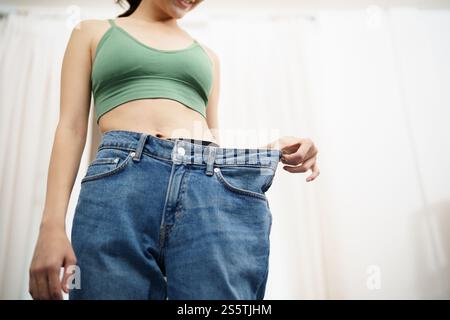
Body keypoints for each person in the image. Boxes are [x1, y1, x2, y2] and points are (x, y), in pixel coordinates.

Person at [28, 0, 320, 300]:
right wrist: (51, 226)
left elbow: (213, 154)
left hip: (206, 190)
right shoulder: (90, 32)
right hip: (120, 185)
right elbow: (71, 127)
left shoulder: (208, 57)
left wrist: (271, 149)